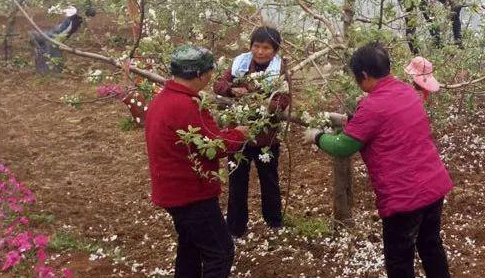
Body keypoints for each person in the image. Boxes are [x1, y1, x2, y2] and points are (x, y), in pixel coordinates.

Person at [303, 43, 452, 278]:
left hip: (404, 198)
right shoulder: (406, 91)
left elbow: (343, 146)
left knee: (399, 259)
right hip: (434, 187)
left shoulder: (372, 106)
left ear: (363, 75)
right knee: (430, 245)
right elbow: (386, 124)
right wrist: (352, 120)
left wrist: (317, 137)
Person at [145, 45, 249, 278]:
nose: (211, 76)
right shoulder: (186, 105)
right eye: (210, 72)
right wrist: (239, 134)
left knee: (190, 248)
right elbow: (215, 146)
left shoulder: (163, 100)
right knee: (220, 252)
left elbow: (198, 138)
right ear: (201, 75)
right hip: (191, 194)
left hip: (172, 192)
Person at [213, 26, 291, 237]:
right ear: (250, 47)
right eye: (256, 46)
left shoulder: (279, 69)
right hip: (238, 134)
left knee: (269, 181)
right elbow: (218, 84)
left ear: (275, 50)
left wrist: (263, 103)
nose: (260, 51)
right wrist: (231, 89)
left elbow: (283, 98)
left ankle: (274, 221)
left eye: (266, 47)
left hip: (267, 136)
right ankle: (236, 227)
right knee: (237, 182)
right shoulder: (240, 64)